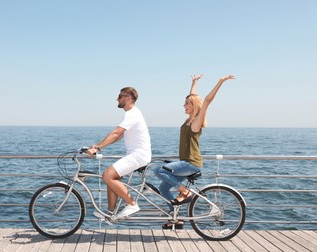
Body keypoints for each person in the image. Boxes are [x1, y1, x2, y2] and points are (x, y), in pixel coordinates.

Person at [155, 74, 235, 229]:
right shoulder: (188, 120)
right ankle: (176, 218)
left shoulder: (197, 121)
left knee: (158, 170)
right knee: (163, 188)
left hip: (191, 163)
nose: (184, 105)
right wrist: (194, 82)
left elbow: (206, 101)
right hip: (185, 163)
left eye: (186, 103)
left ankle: (185, 192)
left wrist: (220, 82)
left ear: (193, 106)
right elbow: (194, 98)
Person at [87, 87, 151, 219]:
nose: (117, 98)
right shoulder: (132, 113)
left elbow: (116, 132)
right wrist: (97, 146)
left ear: (128, 98)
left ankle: (132, 204)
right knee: (112, 179)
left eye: (120, 96)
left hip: (139, 155)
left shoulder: (132, 113)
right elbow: (118, 136)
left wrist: (97, 148)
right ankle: (111, 212)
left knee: (107, 175)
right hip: (136, 154)